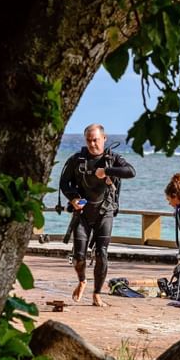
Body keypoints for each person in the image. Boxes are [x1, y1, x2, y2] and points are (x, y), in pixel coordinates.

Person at [60, 124, 135, 307]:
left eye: (96, 139)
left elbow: (131, 172)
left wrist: (107, 171)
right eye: (89, 140)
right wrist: (73, 198)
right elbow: (64, 182)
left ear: (104, 138)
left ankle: (97, 294)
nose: (92, 143)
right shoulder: (77, 159)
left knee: (102, 253)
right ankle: (82, 280)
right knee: (79, 256)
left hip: (105, 212)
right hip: (83, 213)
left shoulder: (113, 159)